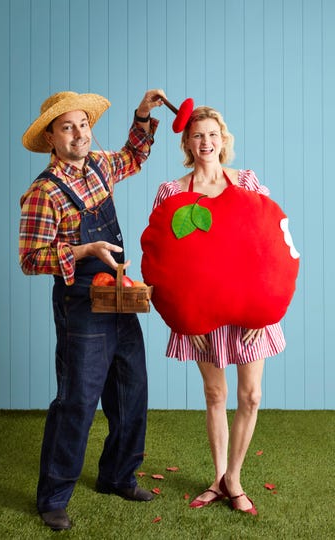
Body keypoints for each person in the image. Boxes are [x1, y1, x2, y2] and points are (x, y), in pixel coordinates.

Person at [19, 88, 166, 530]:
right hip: (80, 302)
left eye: (83, 125)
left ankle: (118, 476)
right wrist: (83, 250)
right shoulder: (43, 192)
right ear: (51, 138)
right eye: (67, 127)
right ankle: (53, 497)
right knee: (78, 400)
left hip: (119, 295)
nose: (79, 133)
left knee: (131, 389)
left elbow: (134, 157)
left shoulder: (101, 166)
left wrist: (142, 114)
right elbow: (30, 259)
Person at [152, 106, 286, 515]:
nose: (206, 142)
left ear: (223, 140)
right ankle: (219, 476)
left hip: (249, 309)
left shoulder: (246, 183)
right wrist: (183, 316)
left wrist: (260, 314)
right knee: (216, 394)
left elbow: (268, 246)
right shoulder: (172, 192)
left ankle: (233, 479)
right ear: (187, 144)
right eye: (197, 136)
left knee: (251, 396)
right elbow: (163, 260)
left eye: (213, 135)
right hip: (200, 312)